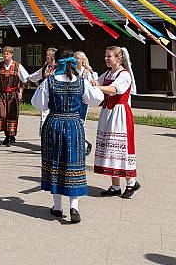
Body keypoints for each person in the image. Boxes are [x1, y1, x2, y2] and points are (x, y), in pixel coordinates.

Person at [32, 49, 103, 223]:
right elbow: (97, 99)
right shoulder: (81, 82)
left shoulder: (50, 81)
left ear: (57, 62)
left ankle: (57, 207)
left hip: (54, 123)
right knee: (73, 162)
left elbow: (38, 104)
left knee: (55, 161)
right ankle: (74, 207)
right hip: (74, 125)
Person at [93, 46, 141, 199]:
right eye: (106, 56)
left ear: (119, 58)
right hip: (108, 112)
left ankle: (131, 182)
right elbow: (95, 82)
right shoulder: (108, 73)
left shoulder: (124, 74)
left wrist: (98, 86)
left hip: (120, 113)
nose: (106, 59)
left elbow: (115, 89)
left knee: (121, 149)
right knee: (109, 148)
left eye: (109, 56)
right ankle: (115, 186)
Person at [0, 46, 28, 146]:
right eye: (4, 54)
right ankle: (6, 135)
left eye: (7, 54)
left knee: (12, 114)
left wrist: (21, 92)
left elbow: (25, 79)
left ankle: (12, 136)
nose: (5, 56)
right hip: (2, 93)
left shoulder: (17, 66)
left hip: (13, 94)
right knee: (3, 114)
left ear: (11, 55)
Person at [28, 47, 57, 132]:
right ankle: (46, 140)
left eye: (49, 55)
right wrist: (27, 78)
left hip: (56, 95)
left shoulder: (59, 68)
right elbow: (35, 76)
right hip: (46, 95)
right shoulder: (46, 67)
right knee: (45, 116)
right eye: (47, 55)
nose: (47, 57)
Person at [75, 51, 98, 156]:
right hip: (73, 100)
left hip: (83, 102)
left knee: (80, 123)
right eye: (74, 58)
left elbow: (93, 87)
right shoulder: (72, 71)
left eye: (77, 58)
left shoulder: (87, 73)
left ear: (83, 60)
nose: (75, 60)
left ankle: (83, 145)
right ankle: (80, 144)